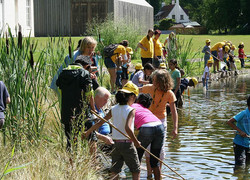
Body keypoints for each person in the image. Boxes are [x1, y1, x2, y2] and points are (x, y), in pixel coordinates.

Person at [84, 81, 141, 180]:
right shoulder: (131, 110)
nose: (134, 100)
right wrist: (136, 141)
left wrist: (87, 132)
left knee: (115, 170)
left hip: (116, 144)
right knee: (136, 170)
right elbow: (128, 128)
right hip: (127, 144)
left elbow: (99, 123)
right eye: (135, 98)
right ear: (131, 97)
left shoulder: (113, 108)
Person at [140, 69, 178, 178]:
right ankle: (149, 174)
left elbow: (174, 112)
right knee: (148, 149)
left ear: (162, 82)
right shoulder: (149, 88)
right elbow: (136, 90)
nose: (153, 81)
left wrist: (175, 128)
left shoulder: (169, 93)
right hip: (148, 120)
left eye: (155, 80)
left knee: (160, 149)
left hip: (161, 122)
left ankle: (158, 173)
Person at [56, 55, 95, 151]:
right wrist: (93, 110)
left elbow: (59, 89)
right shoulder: (85, 73)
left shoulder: (62, 73)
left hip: (66, 112)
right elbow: (89, 94)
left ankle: (71, 163)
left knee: (71, 140)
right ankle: (94, 163)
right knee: (91, 138)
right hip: (83, 112)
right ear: (86, 66)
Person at [131, 93, 164, 180]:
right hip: (160, 126)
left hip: (147, 128)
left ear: (137, 100)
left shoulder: (132, 105)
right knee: (155, 161)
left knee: (137, 157)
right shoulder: (146, 110)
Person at [227, 96, 250, 170]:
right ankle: (238, 176)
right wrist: (240, 131)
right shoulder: (243, 113)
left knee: (247, 164)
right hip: (239, 143)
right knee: (240, 165)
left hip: (248, 143)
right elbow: (229, 122)